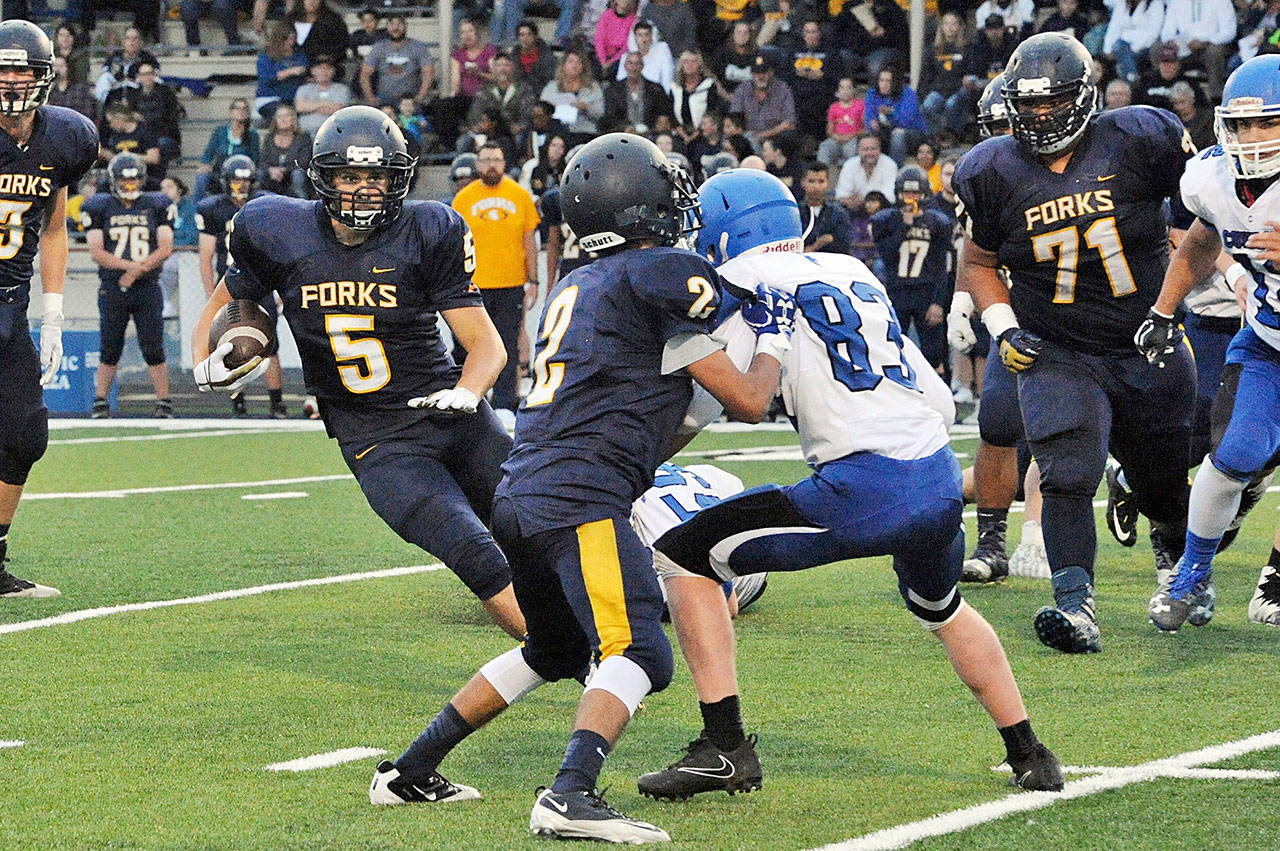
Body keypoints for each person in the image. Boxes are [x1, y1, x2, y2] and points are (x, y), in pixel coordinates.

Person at [367, 134, 791, 843]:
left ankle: (408, 771)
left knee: (553, 650)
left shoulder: (577, 282)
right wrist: (774, 328)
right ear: (643, 204)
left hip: (521, 490)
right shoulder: (660, 272)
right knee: (642, 651)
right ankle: (570, 793)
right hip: (578, 495)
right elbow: (749, 397)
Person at [636, 167, 1064, 800]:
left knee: (682, 553)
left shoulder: (742, 284)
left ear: (726, 233)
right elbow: (939, 402)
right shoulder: (852, 271)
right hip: (937, 476)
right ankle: (1030, 753)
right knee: (941, 608)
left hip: (863, 487)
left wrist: (633, 465)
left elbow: (701, 408)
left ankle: (723, 748)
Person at [192, 105, 525, 638]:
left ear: (398, 179)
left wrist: (467, 391)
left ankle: (636, 606)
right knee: (476, 554)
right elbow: (221, 309)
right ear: (324, 176)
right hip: (375, 437)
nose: (364, 190)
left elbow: (486, 344)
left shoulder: (428, 228)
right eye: (350, 175)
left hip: (452, 417)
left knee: (535, 528)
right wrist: (207, 365)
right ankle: (579, 663)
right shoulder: (276, 229)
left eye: (376, 176)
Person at [953, 33, 1196, 653]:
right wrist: (1002, 324)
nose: (1038, 117)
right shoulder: (990, 170)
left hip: (1146, 338)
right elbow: (978, 260)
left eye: (1051, 103)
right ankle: (1074, 605)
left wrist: (1180, 298)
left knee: (1164, 477)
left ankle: (1175, 555)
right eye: (1027, 106)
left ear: (1084, 96)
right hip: (1055, 346)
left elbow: (1209, 211)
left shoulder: (1143, 137)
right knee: (1066, 472)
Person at [1138, 55, 1280, 630]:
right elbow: (1199, 243)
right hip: (1271, 342)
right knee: (1234, 457)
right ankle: (1191, 576)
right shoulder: (1212, 179)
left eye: (1266, 122)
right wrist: (1163, 309)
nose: (1252, 137)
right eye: (1242, 124)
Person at [0, 20, 99, 598]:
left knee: (23, 436)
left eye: (21, 70)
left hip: (11, 304)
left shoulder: (66, 138)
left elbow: (55, 224)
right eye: (2, 70)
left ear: (44, 77)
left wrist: (55, 311)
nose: (11, 82)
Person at [451, 141, 540, 423]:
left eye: (497, 160)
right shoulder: (463, 199)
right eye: (487, 159)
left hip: (510, 282)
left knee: (507, 345)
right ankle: (469, 398)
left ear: (505, 164)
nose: (492, 165)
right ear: (477, 164)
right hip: (472, 285)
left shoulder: (519, 196)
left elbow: (529, 240)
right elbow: (454, 244)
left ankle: (504, 402)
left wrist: (534, 279)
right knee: (467, 345)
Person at [82, 152, 174, 418]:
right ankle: (100, 401)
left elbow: (166, 247)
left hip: (147, 287)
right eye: (124, 181)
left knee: (153, 347)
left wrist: (136, 271)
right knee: (110, 347)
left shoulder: (157, 204)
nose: (130, 186)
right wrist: (130, 267)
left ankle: (164, 402)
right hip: (113, 287)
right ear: (113, 181)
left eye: (134, 181)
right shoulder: (100, 206)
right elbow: (96, 252)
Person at [196, 154, 288, 419]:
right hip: (231, 284)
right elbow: (206, 256)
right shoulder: (213, 208)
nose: (241, 186)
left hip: (261, 281)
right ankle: (238, 402)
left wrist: (280, 287)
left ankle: (277, 403)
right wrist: (211, 293)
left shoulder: (264, 204)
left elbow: (278, 249)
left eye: (245, 181)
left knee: (270, 345)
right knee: (229, 345)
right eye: (236, 180)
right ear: (226, 182)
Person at [871, 166, 950, 374]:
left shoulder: (937, 222)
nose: (911, 197)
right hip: (897, 291)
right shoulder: (887, 220)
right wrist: (904, 227)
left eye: (915, 193)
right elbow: (887, 255)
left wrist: (937, 302)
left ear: (924, 193)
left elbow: (942, 266)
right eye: (907, 192)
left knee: (933, 354)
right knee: (892, 348)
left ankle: (937, 400)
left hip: (925, 292)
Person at [360, 14, 434, 109]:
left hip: (410, 98)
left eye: (399, 24)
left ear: (406, 26)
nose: (395, 28)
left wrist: (421, 95)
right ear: (387, 27)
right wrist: (370, 98)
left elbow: (429, 72)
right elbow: (364, 74)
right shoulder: (379, 47)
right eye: (392, 24)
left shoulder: (418, 46)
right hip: (384, 98)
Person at [196, 97, 259, 201]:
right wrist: (205, 164)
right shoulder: (220, 132)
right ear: (230, 112)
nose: (241, 111)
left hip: (242, 175)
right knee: (202, 177)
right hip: (220, 173)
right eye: (237, 108)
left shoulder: (252, 135)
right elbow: (209, 152)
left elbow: (255, 159)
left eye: (244, 109)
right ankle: (196, 210)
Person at [728, 54, 795, 146]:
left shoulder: (783, 89)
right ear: (751, 73)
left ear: (771, 72)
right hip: (747, 138)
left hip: (775, 139)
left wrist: (763, 135)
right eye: (756, 73)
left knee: (788, 136)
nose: (760, 76)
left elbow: (789, 123)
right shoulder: (742, 89)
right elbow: (735, 118)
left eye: (764, 72)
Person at [603, 50, 673, 133]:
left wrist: (660, 122)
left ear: (642, 66)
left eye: (637, 64)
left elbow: (664, 112)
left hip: (650, 134)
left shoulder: (656, 89)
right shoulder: (613, 90)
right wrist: (624, 127)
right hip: (623, 134)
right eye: (630, 63)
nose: (633, 67)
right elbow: (610, 117)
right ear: (625, 66)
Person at [255, 21, 309, 118]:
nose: (290, 42)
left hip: (293, 99)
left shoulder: (299, 56)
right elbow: (265, 78)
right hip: (270, 98)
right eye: (286, 39)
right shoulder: (266, 57)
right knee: (285, 114)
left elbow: (305, 74)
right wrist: (289, 72)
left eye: (293, 38)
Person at [258, 102, 311, 198]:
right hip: (272, 177)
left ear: (293, 119)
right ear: (275, 120)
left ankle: (303, 206)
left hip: (293, 176)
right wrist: (271, 170)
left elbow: (303, 162)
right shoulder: (269, 138)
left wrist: (283, 170)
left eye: (286, 116)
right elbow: (262, 161)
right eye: (279, 116)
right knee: (260, 174)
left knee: (297, 175)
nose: (283, 119)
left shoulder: (303, 138)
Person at [835, 133, 896, 212]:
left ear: (880, 150)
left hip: (881, 211)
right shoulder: (849, 164)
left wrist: (864, 200)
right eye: (865, 149)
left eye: (873, 149)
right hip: (853, 209)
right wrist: (850, 201)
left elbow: (890, 197)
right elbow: (841, 194)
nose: (869, 153)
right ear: (858, 151)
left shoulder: (889, 164)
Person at [799, 161, 850, 255]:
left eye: (821, 181)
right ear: (803, 183)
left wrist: (816, 246)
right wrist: (821, 242)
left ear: (828, 183)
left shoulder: (839, 213)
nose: (816, 187)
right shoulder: (795, 213)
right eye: (811, 181)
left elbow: (844, 245)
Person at [294, 54, 351, 138]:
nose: (323, 71)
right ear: (313, 71)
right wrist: (325, 103)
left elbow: (338, 109)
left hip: (332, 134)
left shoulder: (341, 89)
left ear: (333, 71)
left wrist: (311, 107)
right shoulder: (303, 89)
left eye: (328, 68)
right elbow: (300, 107)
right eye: (319, 68)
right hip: (305, 133)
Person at [817, 77, 864, 167]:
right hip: (837, 139)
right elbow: (829, 130)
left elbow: (866, 127)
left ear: (854, 90)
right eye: (842, 88)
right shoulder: (833, 107)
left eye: (848, 87)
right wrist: (836, 136)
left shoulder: (860, 104)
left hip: (853, 139)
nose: (845, 91)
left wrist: (852, 135)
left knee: (852, 150)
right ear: (837, 91)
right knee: (824, 146)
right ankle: (821, 174)